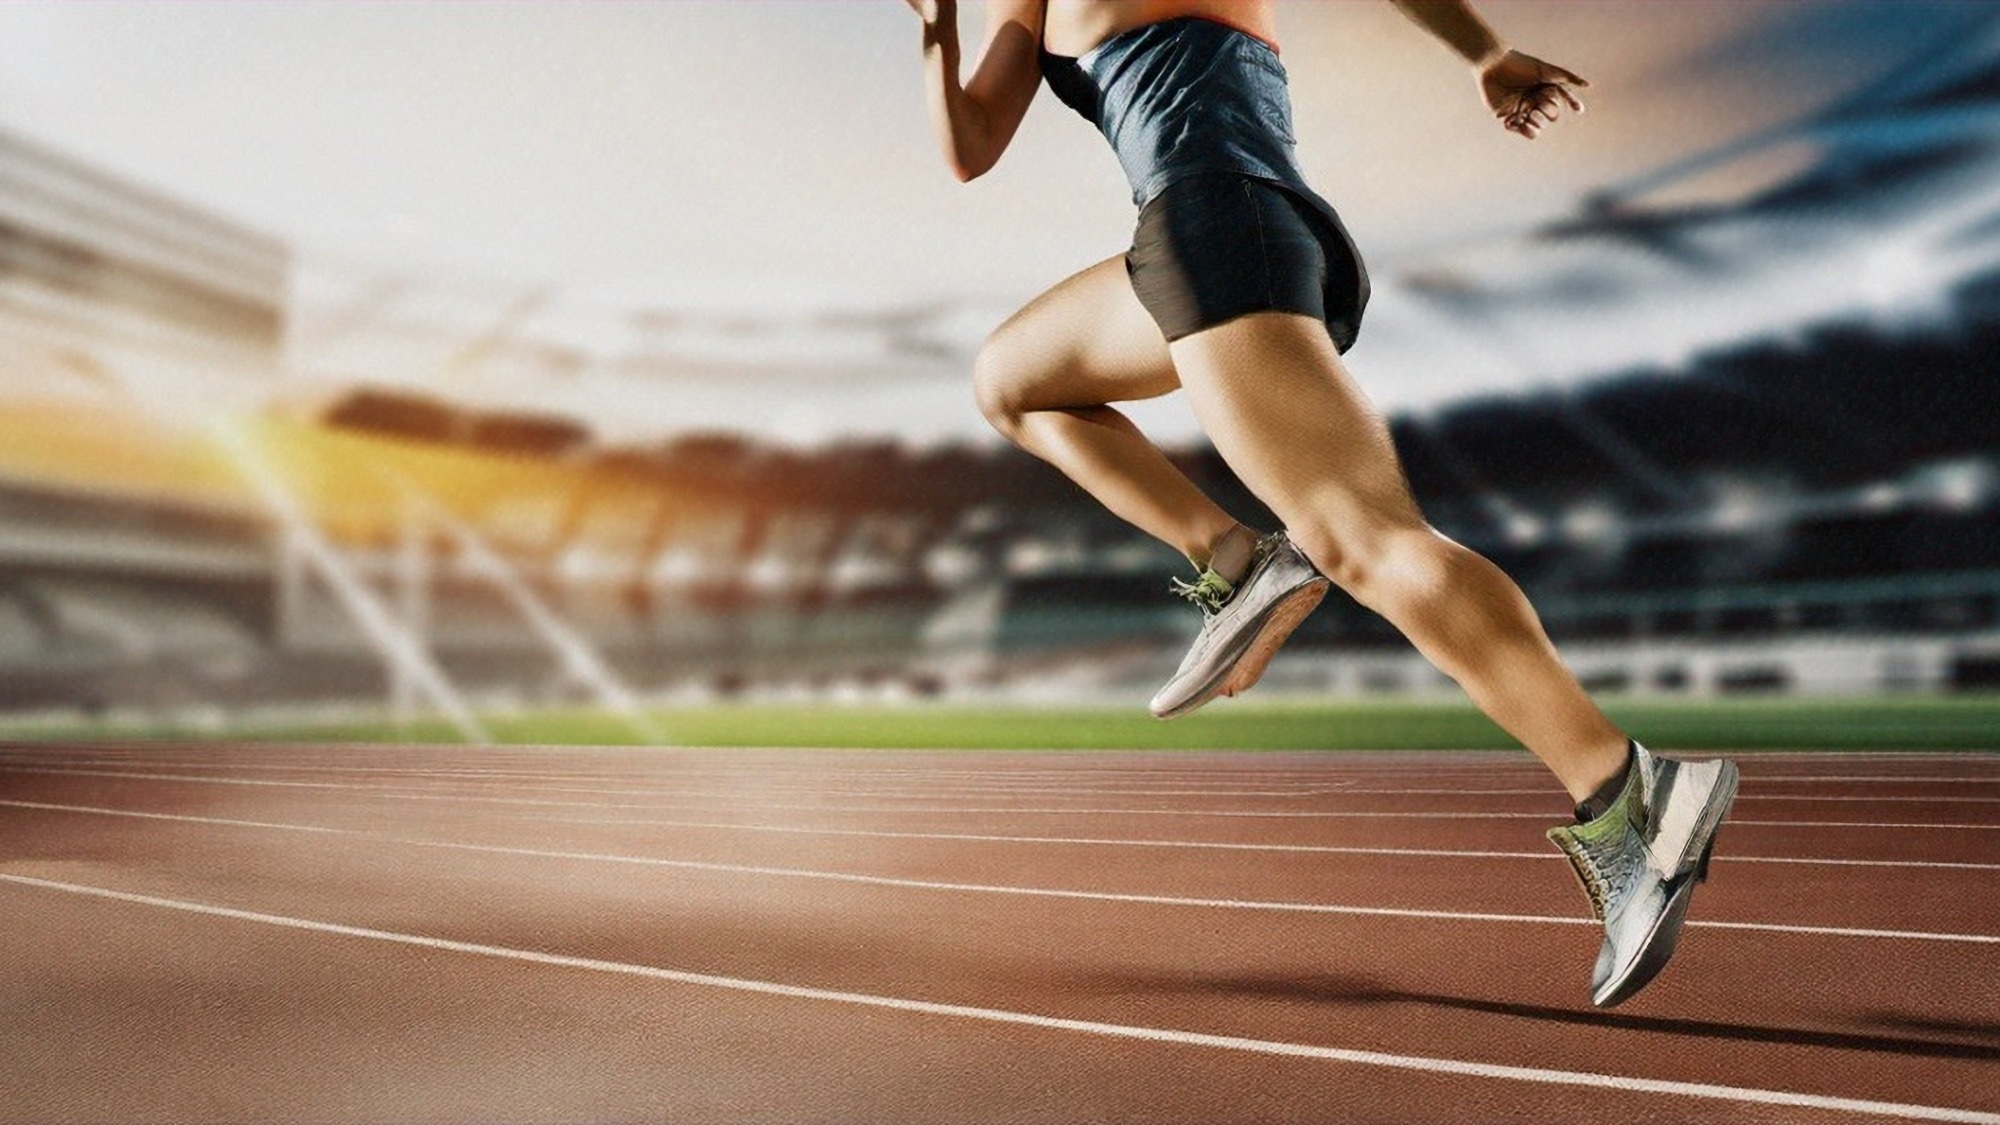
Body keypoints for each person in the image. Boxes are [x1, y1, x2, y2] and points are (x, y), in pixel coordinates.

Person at [901, 0, 1739, 1007]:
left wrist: (1483, 51)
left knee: (1369, 542)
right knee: (1010, 379)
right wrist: (936, 29)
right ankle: (1236, 559)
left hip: (1216, 229)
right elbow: (970, 147)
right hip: (1218, 228)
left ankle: (1626, 794)